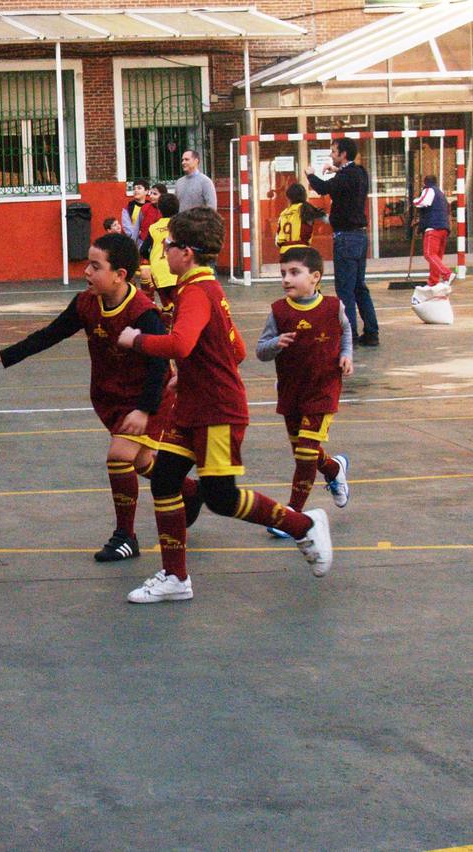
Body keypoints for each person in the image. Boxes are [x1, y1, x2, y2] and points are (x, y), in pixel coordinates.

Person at [117, 208, 333, 603]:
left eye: (168, 245)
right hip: (195, 403)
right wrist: (192, 371)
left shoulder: (196, 292)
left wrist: (136, 340)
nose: (163, 251)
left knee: (220, 497)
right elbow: (233, 348)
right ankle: (175, 577)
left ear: (187, 251)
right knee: (165, 479)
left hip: (217, 410)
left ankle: (303, 525)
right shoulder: (204, 288)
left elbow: (180, 343)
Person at [0, 232, 202, 562]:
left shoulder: (143, 312)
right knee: (139, 462)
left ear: (120, 275)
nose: (86, 272)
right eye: (87, 264)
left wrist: (143, 410)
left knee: (119, 456)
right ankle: (190, 491)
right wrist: (6, 353)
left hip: (148, 398)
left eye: (95, 266)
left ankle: (126, 536)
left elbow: (159, 367)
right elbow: (51, 334)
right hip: (110, 396)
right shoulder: (85, 303)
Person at [256, 246, 353, 537]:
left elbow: (346, 331)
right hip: (291, 391)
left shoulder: (334, 307)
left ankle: (292, 515)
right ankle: (334, 469)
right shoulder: (278, 312)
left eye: (294, 273)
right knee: (303, 451)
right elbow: (260, 351)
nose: (286, 279)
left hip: (323, 389)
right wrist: (275, 344)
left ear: (315, 277)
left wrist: (347, 355)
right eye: (283, 273)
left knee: (305, 456)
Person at [305, 138, 380, 347]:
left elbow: (322, 187)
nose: (331, 155)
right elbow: (348, 177)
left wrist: (310, 174)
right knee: (359, 287)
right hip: (360, 237)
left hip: (345, 237)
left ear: (343, 154)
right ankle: (372, 332)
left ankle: (350, 335)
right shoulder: (360, 173)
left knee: (345, 288)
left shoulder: (345, 177)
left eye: (334, 152)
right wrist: (336, 170)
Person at [139, 191, 179, 327]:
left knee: (167, 302)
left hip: (159, 272)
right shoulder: (180, 226)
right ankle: (176, 326)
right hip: (176, 270)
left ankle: (167, 325)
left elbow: (143, 250)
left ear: (160, 210)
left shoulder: (153, 227)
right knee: (179, 302)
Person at [412, 175, 453, 287]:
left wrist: (414, 200)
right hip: (443, 228)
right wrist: (420, 223)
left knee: (429, 254)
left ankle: (447, 273)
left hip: (433, 229)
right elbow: (434, 211)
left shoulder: (429, 190)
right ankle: (433, 281)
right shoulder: (441, 194)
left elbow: (422, 202)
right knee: (436, 257)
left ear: (425, 182)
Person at [275, 183, 325, 254]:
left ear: (288, 198)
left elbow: (278, 238)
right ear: (304, 195)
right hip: (302, 250)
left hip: (285, 251)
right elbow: (325, 221)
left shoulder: (283, 213)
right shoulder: (306, 209)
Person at [121, 178, 149, 249]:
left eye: (139, 188)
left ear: (146, 191)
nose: (136, 190)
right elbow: (128, 229)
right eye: (134, 188)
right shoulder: (128, 208)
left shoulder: (151, 207)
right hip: (134, 245)